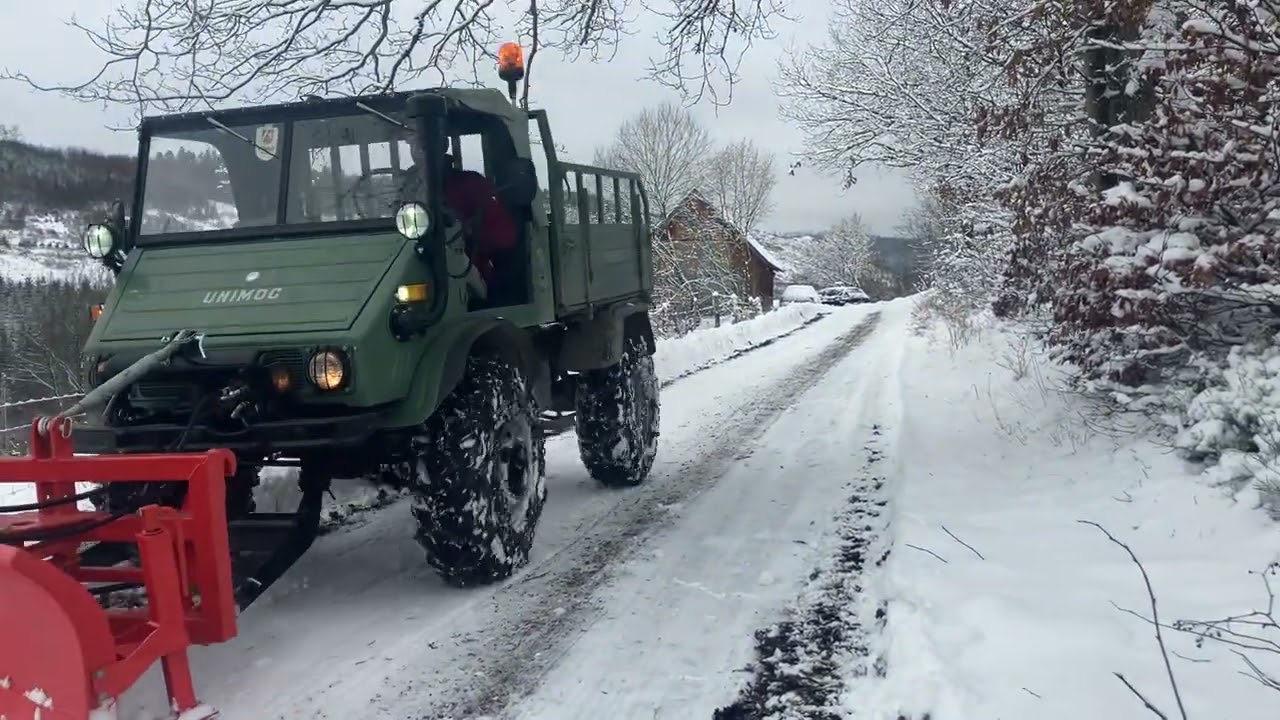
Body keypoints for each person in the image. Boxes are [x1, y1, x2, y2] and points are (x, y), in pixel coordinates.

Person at [399, 138, 517, 290]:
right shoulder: (404, 186)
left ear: (442, 145)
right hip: (404, 263)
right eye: (413, 144)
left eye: (423, 143)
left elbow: (505, 235)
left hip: (462, 272)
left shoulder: (470, 183)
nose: (418, 150)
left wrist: (466, 230)